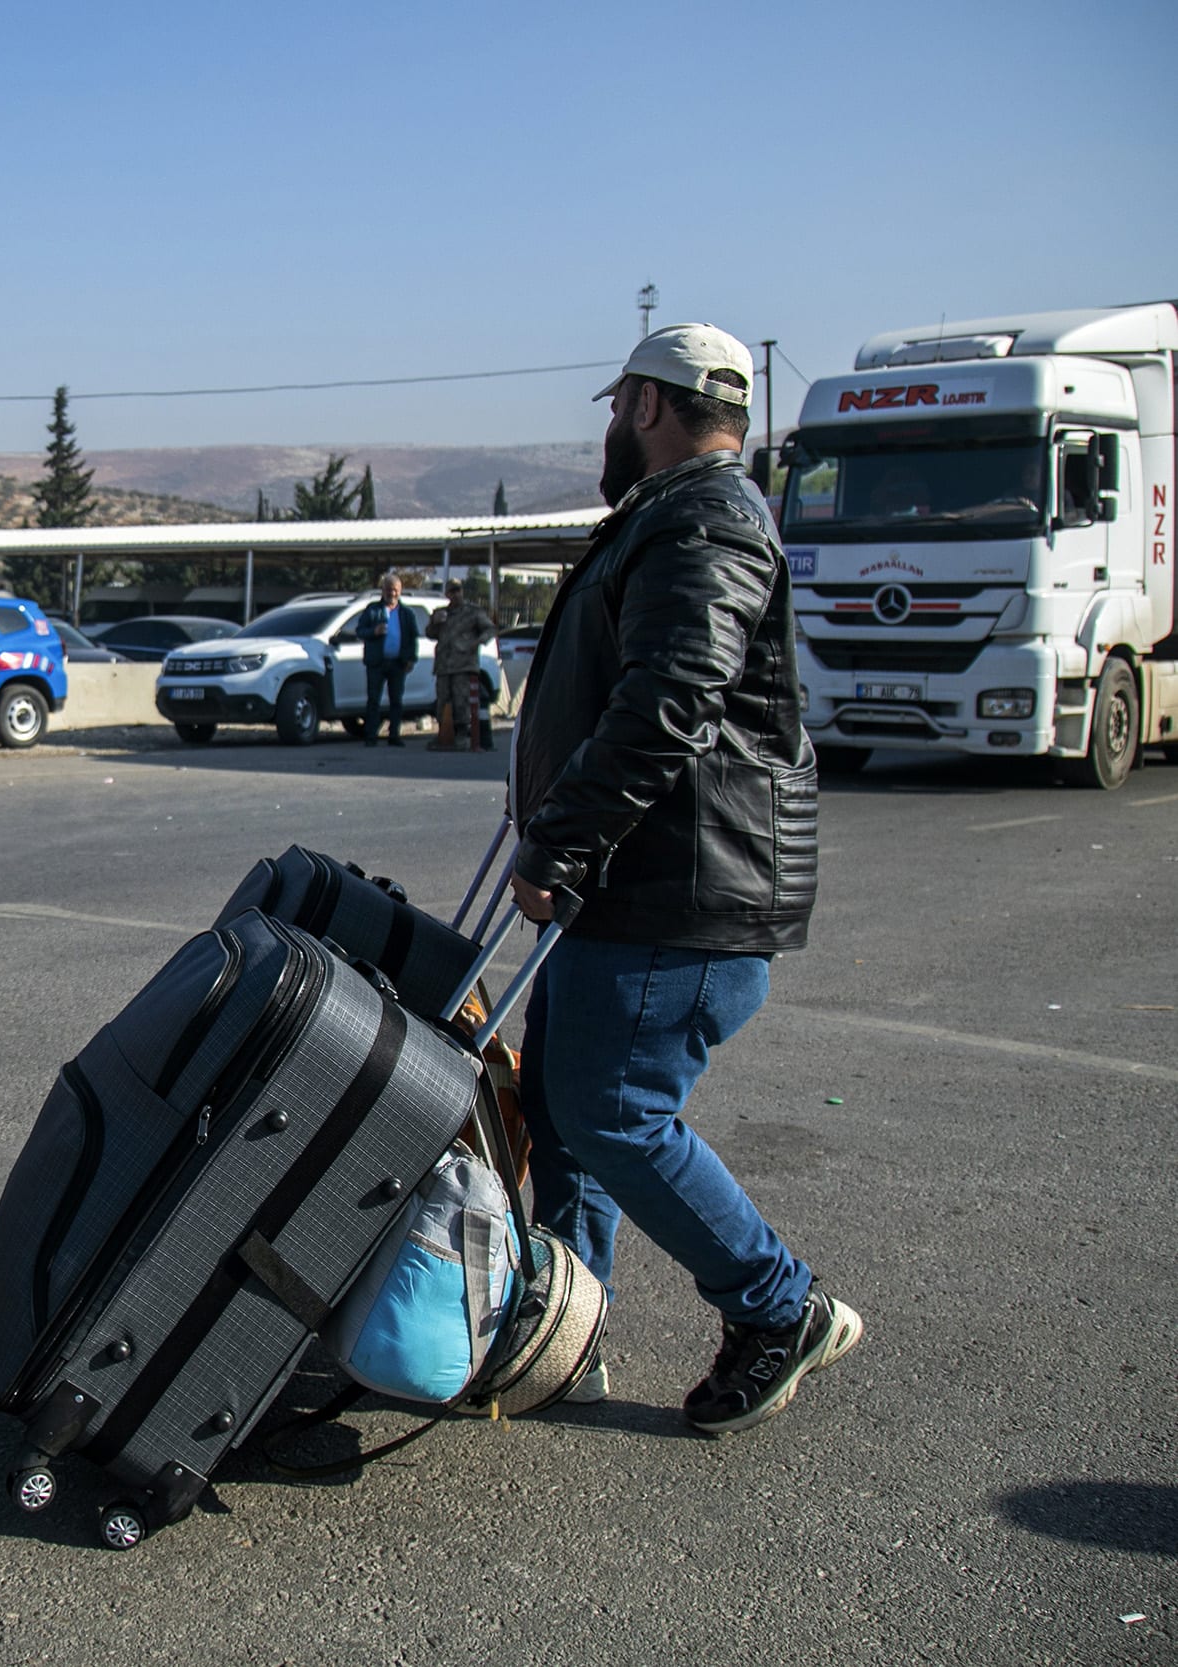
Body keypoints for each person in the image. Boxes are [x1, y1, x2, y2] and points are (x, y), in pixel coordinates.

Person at [507, 323, 859, 1435]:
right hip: (633, 881)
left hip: (676, 892)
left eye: (618, 408)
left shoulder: (707, 519)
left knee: (613, 1111)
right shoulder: (676, 516)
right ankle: (564, 1334)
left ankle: (776, 1304)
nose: (610, 428)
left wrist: (561, 837)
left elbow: (670, 699)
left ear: (651, 406)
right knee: (560, 1113)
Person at [352, 574, 425, 746]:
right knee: (373, 700)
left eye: (395, 590)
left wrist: (411, 659)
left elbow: (413, 638)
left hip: (398, 663)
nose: (391, 593)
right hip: (376, 662)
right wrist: (374, 631)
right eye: (388, 589)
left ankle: (394, 736)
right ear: (382, 591)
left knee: (396, 701)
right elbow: (360, 631)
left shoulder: (407, 613)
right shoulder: (373, 610)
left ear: (400, 591)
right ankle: (371, 736)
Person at [423, 579, 496, 752]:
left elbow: (490, 629)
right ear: (447, 594)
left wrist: (476, 642)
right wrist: (435, 622)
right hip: (444, 665)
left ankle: (462, 735)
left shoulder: (473, 612)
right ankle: (444, 733)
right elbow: (430, 633)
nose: (455, 595)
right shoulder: (442, 613)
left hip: (464, 665)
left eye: (458, 590)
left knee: (461, 701)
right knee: (443, 701)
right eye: (451, 591)